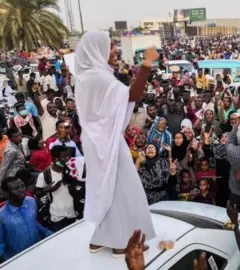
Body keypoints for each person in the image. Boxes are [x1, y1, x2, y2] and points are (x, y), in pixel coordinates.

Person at [75, 31, 157, 256]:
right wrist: (147, 65)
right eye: (110, 46)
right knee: (124, 189)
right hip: (107, 142)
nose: (114, 51)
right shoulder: (97, 78)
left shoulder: (86, 75)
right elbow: (132, 95)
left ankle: (100, 238)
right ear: (96, 50)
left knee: (109, 189)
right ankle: (123, 242)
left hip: (98, 141)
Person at [0, 177, 52, 260]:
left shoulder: (31, 201)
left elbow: (34, 223)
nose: (22, 190)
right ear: (6, 193)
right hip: (18, 260)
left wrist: (50, 234)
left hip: (39, 253)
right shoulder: (2, 215)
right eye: (16, 188)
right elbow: (1, 243)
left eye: (22, 186)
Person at [35, 145, 77, 232]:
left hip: (75, 213)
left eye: (68, 156)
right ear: (55, 159)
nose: (67, 159)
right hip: (58, 216)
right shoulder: (45, 175)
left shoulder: (73, 170)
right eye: (64, 157)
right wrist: (48, 189)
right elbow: (37, 193)